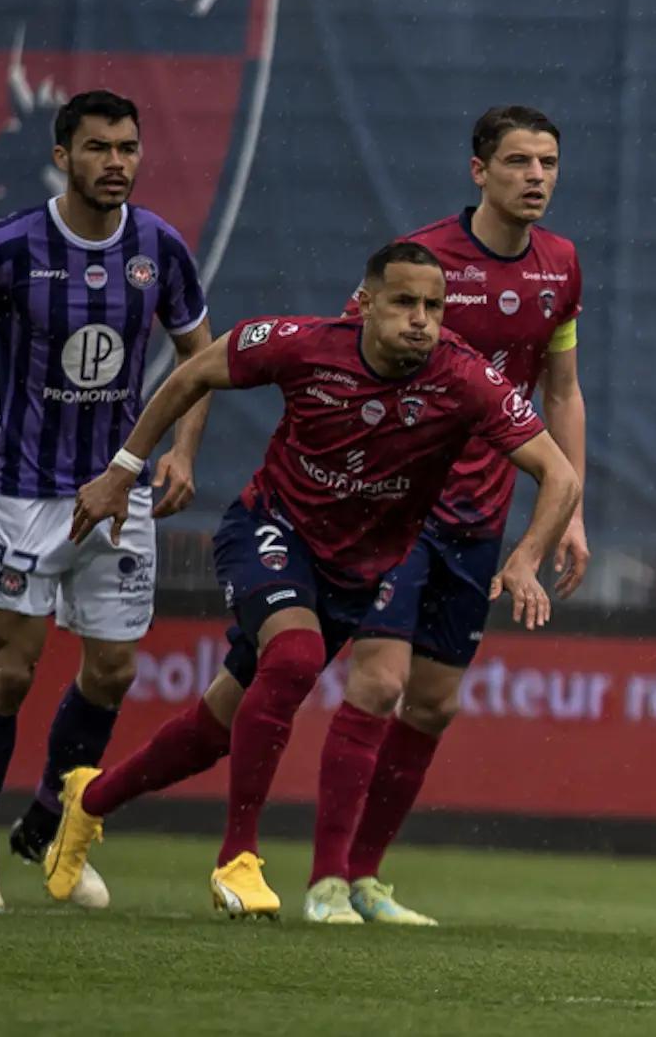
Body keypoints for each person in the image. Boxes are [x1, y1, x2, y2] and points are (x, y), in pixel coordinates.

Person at [41, 241, 582, 921]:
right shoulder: (300, 343)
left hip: (356, 570)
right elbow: (192, 375)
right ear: (365, 305)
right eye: (405, 303)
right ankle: (238, 858)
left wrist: (528, 555)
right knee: (293, 659)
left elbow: (559, 473)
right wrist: (124, 468)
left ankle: (87, 802)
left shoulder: (463, 378)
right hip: (270, 529)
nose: (422, 320)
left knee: (216, 727)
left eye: (435, 307)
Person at [0, 89, 214, 912]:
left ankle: (45, 822)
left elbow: (199, 358)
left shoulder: (160, 249)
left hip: (125, 491)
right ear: (62, 156)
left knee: (112, 669)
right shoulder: (10, 244)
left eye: (129, 147)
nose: (117, 162)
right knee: (12, 670)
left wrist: (181, 450)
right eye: (99, 147)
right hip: (28, 493)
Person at [308, 104, 589, 926]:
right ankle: (325, 881)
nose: (535, 177)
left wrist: (569, 508)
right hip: (397, 504)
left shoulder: (562, 265)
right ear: (478, 172)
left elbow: (562, 391)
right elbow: (340, 355)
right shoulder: (422, 261)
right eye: (517, 162)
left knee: (433, 702)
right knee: (380, 681)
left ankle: (365, 878)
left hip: (484, 512)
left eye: (548, 162)